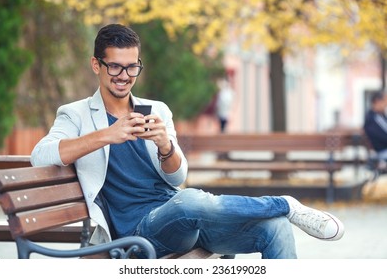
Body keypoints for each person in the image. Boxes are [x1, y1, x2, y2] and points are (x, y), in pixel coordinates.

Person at [31, 24, 344, 259]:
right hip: (138, 234)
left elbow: (177, 177)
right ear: (96, 65)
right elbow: (41, 156)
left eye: (132, 67)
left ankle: (282, 213)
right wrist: (106, 136)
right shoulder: (76, 114)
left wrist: (166, 147)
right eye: (115, 66)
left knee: (274, 229)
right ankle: (284, 204)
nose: (124, 75)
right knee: (189, 199)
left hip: (185, 219)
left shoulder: (156, 110)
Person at [363, 91, 387, 160]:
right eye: (385, 101)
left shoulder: (382, 116)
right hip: (381, 152)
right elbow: (380, 137)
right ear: (377, 101)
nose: (386, 104)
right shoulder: (370, 119)